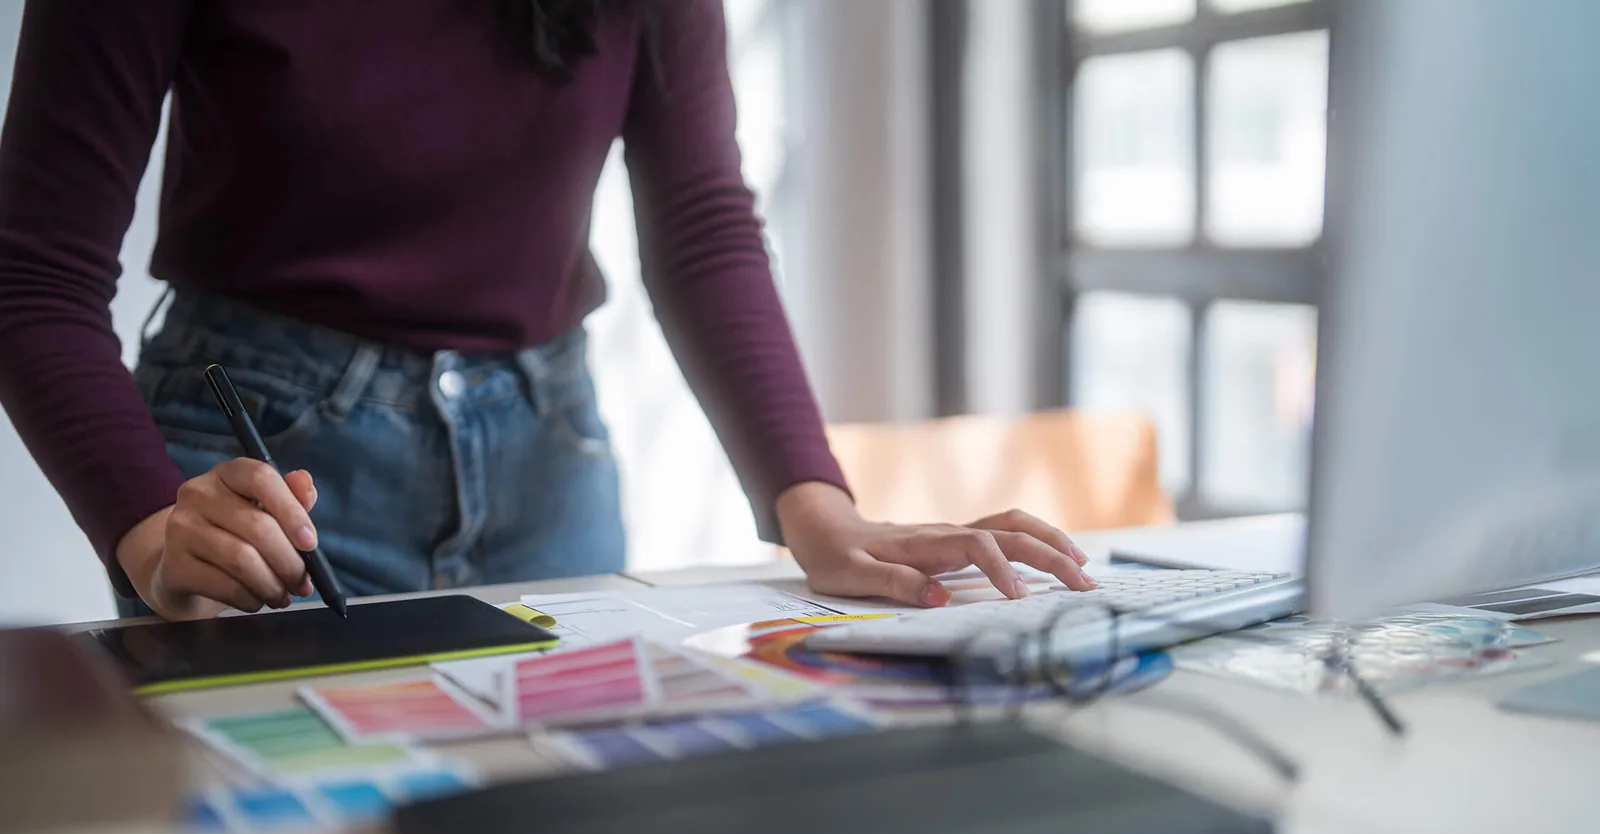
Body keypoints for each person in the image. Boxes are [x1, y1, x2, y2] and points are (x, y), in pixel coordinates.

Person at [0, 0, 1094, 622]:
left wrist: (820, 508)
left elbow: (703, 227)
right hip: (264, 496)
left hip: (549, 468)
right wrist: (150, 529)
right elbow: (33, 274)